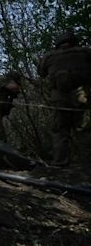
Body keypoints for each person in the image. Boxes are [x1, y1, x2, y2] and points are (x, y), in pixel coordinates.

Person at [38, 30, 91, 166]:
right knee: (83, 130)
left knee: (60, 131)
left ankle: (61, 162)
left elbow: (41, 72)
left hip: (59, 97)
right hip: (81, 96)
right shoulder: (84, 52)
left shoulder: (49, 56)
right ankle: (87, 162)